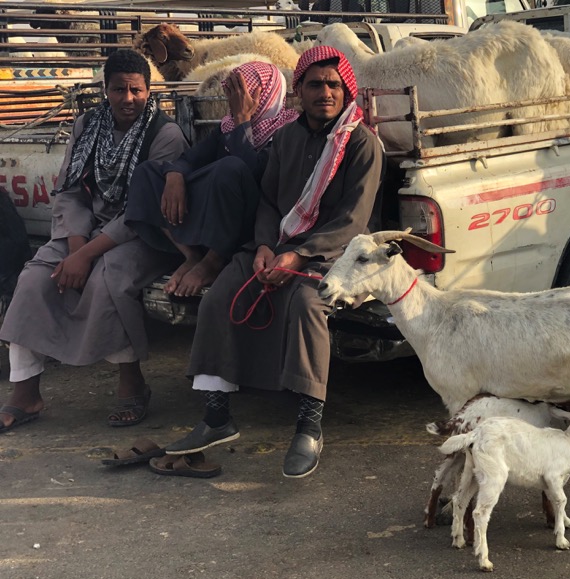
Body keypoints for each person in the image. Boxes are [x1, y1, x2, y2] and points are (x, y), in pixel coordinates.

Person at [161, 46, 385, 478]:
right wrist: (264, 246)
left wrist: (297, 254)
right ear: (298, 90)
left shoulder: (361, 143)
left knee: (305, 305)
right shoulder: (286, 138)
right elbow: (266, 201)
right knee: (220, 295)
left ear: (346, 91)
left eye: (334, 85)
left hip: (332, 253)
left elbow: (353, 220)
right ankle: (216, 416)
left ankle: (309, 424)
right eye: (315, 84)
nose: (325, 92)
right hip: (274, 244)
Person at [0, 49, 189, 433]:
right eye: (119, 90)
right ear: (106, 90)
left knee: (109, 280)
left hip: (142, 234)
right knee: (33, 279)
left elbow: (143, 211)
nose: (128, 99)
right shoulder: (88, 125)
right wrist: (75, 248)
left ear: (148, 91)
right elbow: (68, 190)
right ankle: (25, 392)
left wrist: (86, 255)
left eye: (136, 90)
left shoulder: (164, 134)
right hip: (82, 231)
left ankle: (132, 383)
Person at [125, 61, 298, 297]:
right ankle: (192, 255)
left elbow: (253, 171)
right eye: (233, 93)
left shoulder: (286, 130)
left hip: (251, 223)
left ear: (266, 93)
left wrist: (242, 121)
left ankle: (213, 262)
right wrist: (174, 174)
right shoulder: (227, 127)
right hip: (217, 217)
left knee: (230, 167)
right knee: (147, 173)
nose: (236, 100)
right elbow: (191, 158)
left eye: (243, 93)